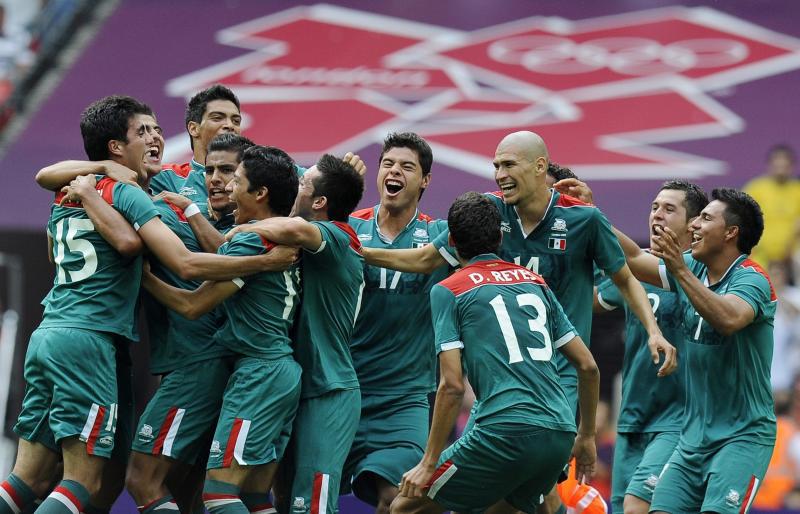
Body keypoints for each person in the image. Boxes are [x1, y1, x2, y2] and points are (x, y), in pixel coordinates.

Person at [361, 130, 675, 513]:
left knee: (469, 501)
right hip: (500, 386)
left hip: (556, 383)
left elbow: (626, 277)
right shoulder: (489, 214)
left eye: (508, 165)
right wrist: (362, 250)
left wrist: (654, 331)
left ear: (540, 166)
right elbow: (426, 258)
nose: (499, 174)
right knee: (513, 501)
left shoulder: (582, 219)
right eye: (496, 166)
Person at [390, 192, 600, 514]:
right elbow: (588, 366)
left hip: (503, 432)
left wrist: (428, 462)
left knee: (404, 507)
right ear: (500, 237)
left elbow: (452, 386)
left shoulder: (449, 289)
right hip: (559, 431)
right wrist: (586, 436)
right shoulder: (535, 282)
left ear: (452, 242)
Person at [126, 134, 287, 514]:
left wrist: (144, 276)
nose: (217, 180)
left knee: (148, 479)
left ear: (254, 186)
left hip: (219, 369)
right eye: (209, 171)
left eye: (229, 173)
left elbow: (192, 290)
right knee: (201, 492)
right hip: (243, 373)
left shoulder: (253, 235)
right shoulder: (249, 229)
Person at [615, 188, 776, 514]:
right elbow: (633, 259)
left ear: (730, 232)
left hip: (742, 437)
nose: (694, 226)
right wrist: (587, 211)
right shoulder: (693, 268)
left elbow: (728, 319)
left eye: (705, 218)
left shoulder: (752, 279)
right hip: (692, 440)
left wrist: (680, 271)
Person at [233, 154, 364, 514]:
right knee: (275, 499)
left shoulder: (337, 236)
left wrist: (241, 229)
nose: (297, 186)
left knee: (312, 505)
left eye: (304, 183)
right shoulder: (313, 234)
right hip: (293, 386)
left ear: (319, 202)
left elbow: (295, 230)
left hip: (330, 390)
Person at [344, 132, 449, 513]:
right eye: (387, 164)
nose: (394, 172)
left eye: (407, 167)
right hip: (344, 389)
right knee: (300, 492)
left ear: (425, 180)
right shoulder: (348, 226)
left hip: (404, 398)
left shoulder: (438, 235)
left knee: (400, 500)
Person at [593, 180, 708, 514]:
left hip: (679, 419)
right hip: (631, 419)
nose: (657, 215)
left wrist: (588, 212)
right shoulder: (637, 273)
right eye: (654, 207)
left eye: (669, 209)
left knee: (638, 506)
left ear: (693, 223)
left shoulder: (701, 271)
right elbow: (589, 302)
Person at [150, 84, 243, 217]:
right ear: (193, 129)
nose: (230, 125)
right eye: (217, 118)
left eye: (236, 121)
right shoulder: (164, 177)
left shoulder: (255, 178)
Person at [743, 144, 800, 267]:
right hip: (760, 253)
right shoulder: (756, 188)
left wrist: (790, 247)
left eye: (785, 166)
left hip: (793, 253)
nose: (781, 170)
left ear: (791, 167)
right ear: (769, 165)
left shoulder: (797, 190)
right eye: (777, 165)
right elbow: (744, 219)